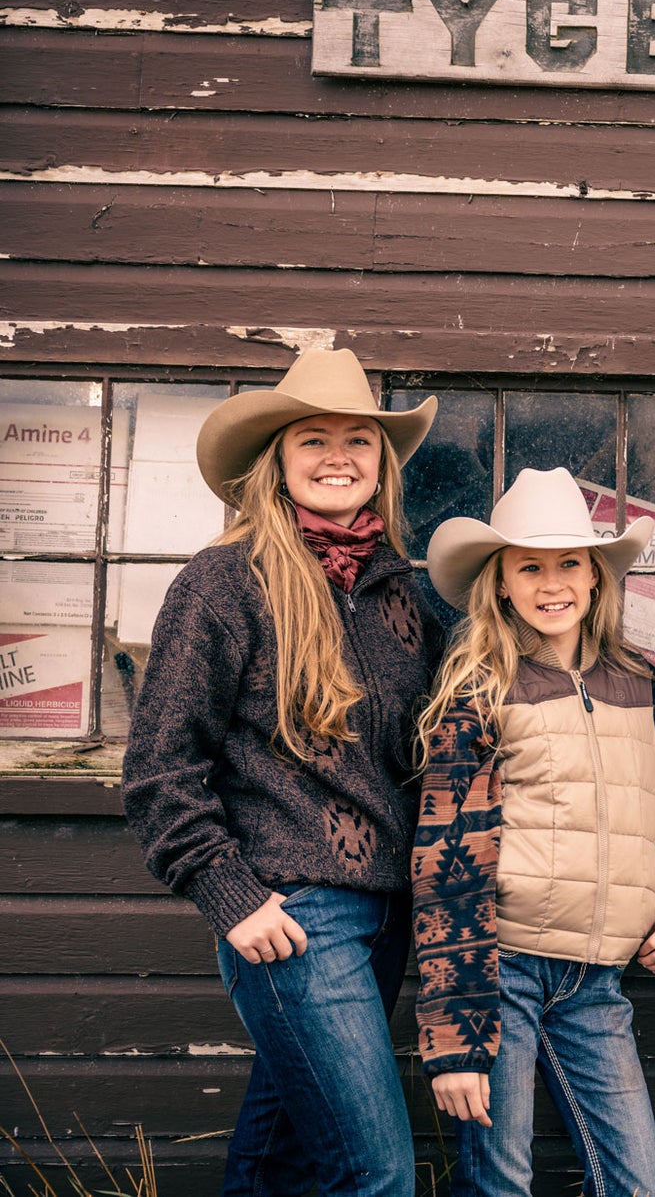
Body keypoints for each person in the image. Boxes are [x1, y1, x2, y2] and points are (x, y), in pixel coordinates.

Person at [122, 348, 442, 1196]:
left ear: (382, 463)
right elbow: (159, 765)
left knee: (282, 1160)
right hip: (294, 918)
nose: (338, 456)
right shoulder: (224, 583)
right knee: (375, 1174)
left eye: (358, 441)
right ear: (277, 459)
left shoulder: (401, 593)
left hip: (385, 916)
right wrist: (229, 893)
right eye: (313, 439)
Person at [412, 466, 655, 1197]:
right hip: (499, 970)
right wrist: (456, 1037)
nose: (551, 583)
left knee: (640, 1185)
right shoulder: (478, 689)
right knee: (502, 1179)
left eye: (568, 562)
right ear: (500, 582)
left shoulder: (642, 688)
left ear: (597, 576)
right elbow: (447, 860)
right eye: (529, 566)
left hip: (596, 980)